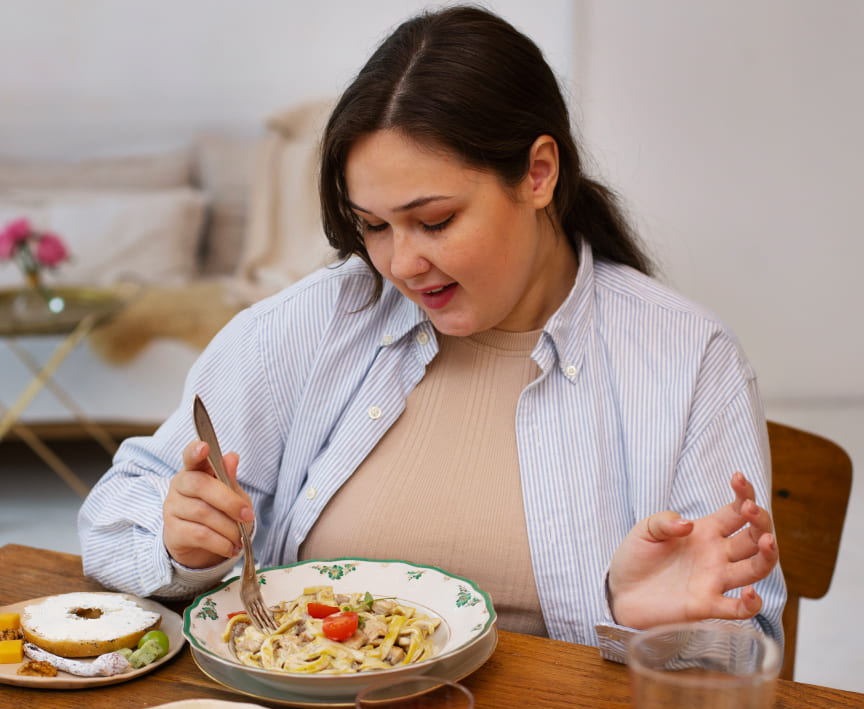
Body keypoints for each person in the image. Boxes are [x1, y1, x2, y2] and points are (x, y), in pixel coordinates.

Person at [78, 5, 785, 658]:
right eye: (373, 226)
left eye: (435, 221)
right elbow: (112, 517)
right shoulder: (308, 325)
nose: (401, 264)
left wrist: (643, 625)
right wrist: (179, 542)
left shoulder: (687, 358)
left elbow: (746, 653)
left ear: (538, 174)